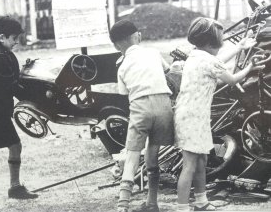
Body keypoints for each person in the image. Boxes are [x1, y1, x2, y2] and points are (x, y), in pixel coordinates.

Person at [174, 17, 263, 211]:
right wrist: (250, 68)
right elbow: (231, 79)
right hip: (192, 117)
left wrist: (239, 47)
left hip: (193, 116)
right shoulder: (206, 60)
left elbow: (218, 60)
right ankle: (181, 207)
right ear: (210, 44)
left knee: (202, 160)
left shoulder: (196, 56)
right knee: (189, 164)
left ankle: (201, 200)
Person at [109, 19, 174, 212]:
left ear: (116, 45)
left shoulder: (122, 66)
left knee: (132, 155)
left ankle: (123, 205)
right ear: (138, 36)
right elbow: (168, 71)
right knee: (153, 154)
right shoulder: (153, 52)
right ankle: (152, 203)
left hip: (140, 106)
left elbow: (123, 93)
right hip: (164, 105)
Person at [0, 16, 38, 211]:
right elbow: (11, 86)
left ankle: (15, 188)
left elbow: (15, 77)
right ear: (2, 37)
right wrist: (35, 97)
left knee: (15, 146)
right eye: (14, 38)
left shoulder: (5, 53)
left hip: (1, 111)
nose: (16, 41)